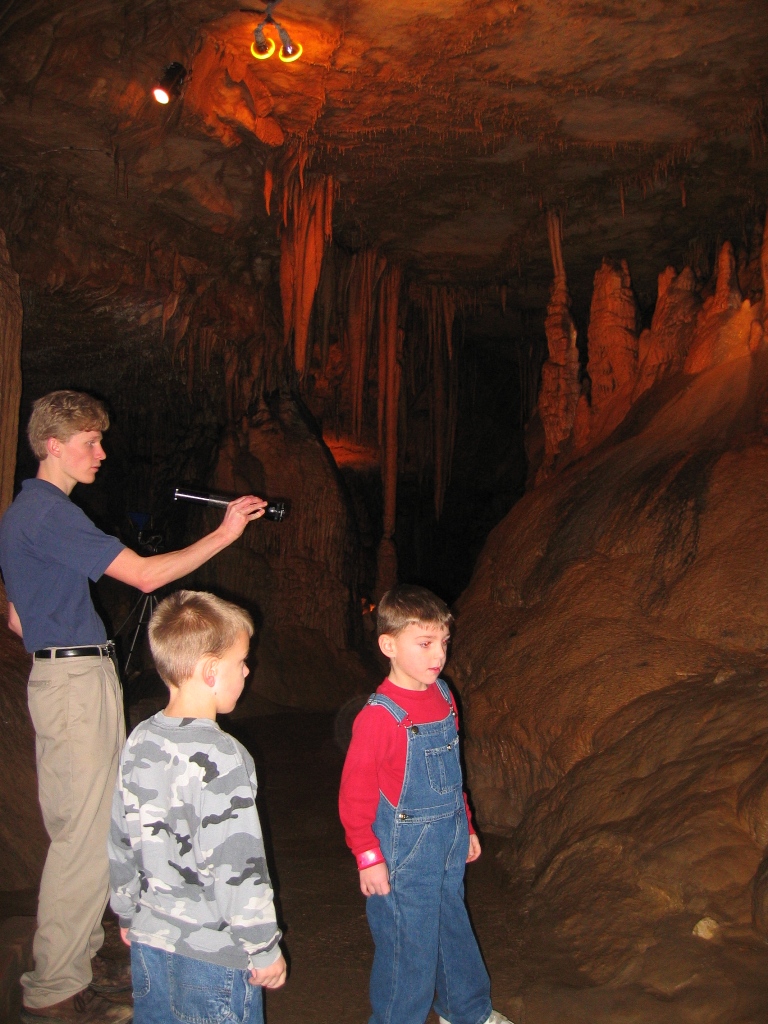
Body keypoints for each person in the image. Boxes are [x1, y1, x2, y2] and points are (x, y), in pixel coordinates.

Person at [0, 390, 267, 1023]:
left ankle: (74, 962)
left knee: (90, 825)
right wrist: (226, 532)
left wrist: (53, 630)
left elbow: (14, 616)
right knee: (84, 837)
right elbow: (146, 578)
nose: (101, 452)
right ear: (54, 445)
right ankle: (55, 988)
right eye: (89, 441)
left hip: (65, 676)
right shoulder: (48, 511)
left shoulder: (25, 514)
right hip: (72, 682)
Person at [108, 590, 286, 1024]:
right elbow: (237, 864)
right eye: (242, 661)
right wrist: (263, 946)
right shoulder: (223, 756)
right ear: (210, 671)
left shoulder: (139, 739)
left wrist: (126, 910)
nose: (248, 670)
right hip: (214, 957)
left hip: (150, 943)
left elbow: (120, 837)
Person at [339, 584, 513, 1024]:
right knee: (408, 943)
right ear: (389, 645)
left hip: (448, 834)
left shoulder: (443, 695)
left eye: (444, 643)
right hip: (403, 850)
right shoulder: (379, 716)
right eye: (426, 643)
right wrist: (367, 854)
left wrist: (467, 825)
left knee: (452, 924)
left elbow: (453, 772)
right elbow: (355, 793)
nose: (439, 655)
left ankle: (467, 1011)